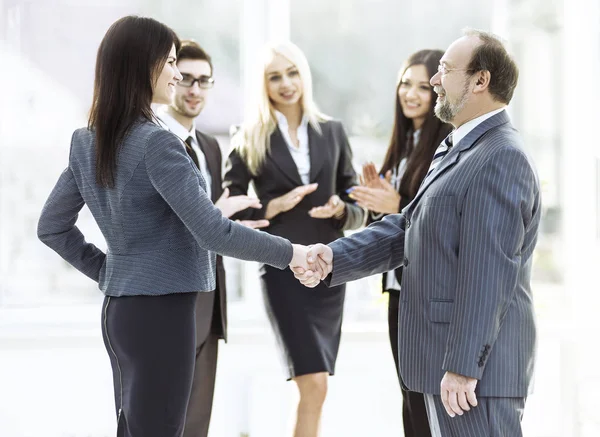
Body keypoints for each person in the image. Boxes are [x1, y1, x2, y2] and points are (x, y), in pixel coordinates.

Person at [36, 16, 309, 437]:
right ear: (143, 65)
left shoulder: (88, 139)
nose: (178, 73)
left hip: (120, 313)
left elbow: (52, 228)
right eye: (170, 62)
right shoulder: (157, 142)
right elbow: (213, 232)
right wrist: (293, 253)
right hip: (163, 314)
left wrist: (110, 271)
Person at [295, 29, 541, 437]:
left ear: (481, 81)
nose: (435, 80)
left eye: (445, 69)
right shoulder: (459, 148)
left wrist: (462, 367)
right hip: (442, 368)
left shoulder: (500, 157)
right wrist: (333, 257)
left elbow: (487, 276)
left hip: (472, 378)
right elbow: (406, 228)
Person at [223, 41, 364, 437]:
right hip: (284, 270)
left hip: (329, 269)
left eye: (292, 72)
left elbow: (357, 204)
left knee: (317, 388)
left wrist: (340, 209)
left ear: (304, 75)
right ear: (263, 85)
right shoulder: (248, 136)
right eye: (274, 76)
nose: (286, 83)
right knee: (312, 383)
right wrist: (272, 206)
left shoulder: (332, 132)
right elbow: (229, 209)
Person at [156, 39, 269, 437]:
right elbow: (169, 222)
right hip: (167, 301)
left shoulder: (209, 146)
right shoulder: (151, 141)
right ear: (167, 79)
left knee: (197, 421)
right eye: (185, 78)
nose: (194, 89)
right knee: (161, 420)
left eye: (204, 81)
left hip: (208, 302)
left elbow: (217, 217)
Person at [348, 49, 452, 437]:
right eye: (405, 84)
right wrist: (379, 203)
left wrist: (397, 205)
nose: (411, 94)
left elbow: (439, 222)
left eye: (423, 87)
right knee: (409, 394)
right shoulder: (406, 144)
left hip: (426, 291)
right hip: (398, 288)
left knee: (427, 399)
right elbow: (397, 222)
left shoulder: (448, 146)